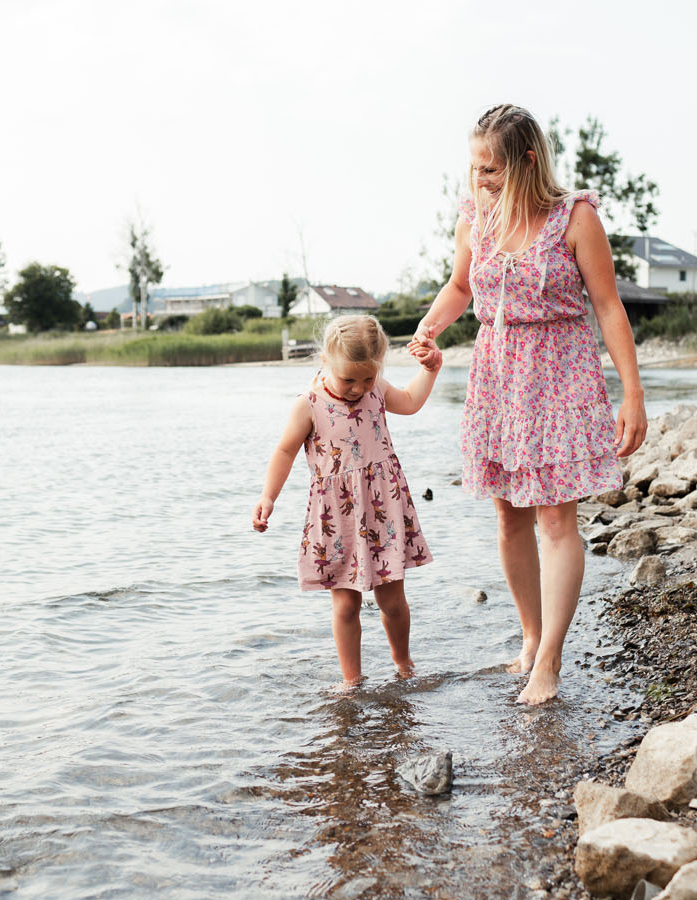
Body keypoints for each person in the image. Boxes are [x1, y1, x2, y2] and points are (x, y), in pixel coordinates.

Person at [408, 103, 648, 706]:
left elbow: (608, 306)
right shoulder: (475, 216)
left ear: (528, 160)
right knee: (509, 516)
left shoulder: (576, 217)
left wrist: (632, 392)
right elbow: (460, 286)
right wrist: (428, 329)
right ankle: (531, 636)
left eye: (491, 169)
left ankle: (550, 659)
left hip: (560, 377)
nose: (480, 179)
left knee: (556, 521)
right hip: (497, 377)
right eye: (474, 168)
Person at [253, 315, 444, 689]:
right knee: (345, 605)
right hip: (338, 517)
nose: (359, 388)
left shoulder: (377, 390)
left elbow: (409, 402)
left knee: (393, 601)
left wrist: (430, 370)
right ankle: (351, 681)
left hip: (382, 509)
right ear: (324, 360)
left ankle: (403, 662)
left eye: (367, 378)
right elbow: (285, 451)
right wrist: (268, 496)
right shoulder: (309, 405)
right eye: (348, 380)